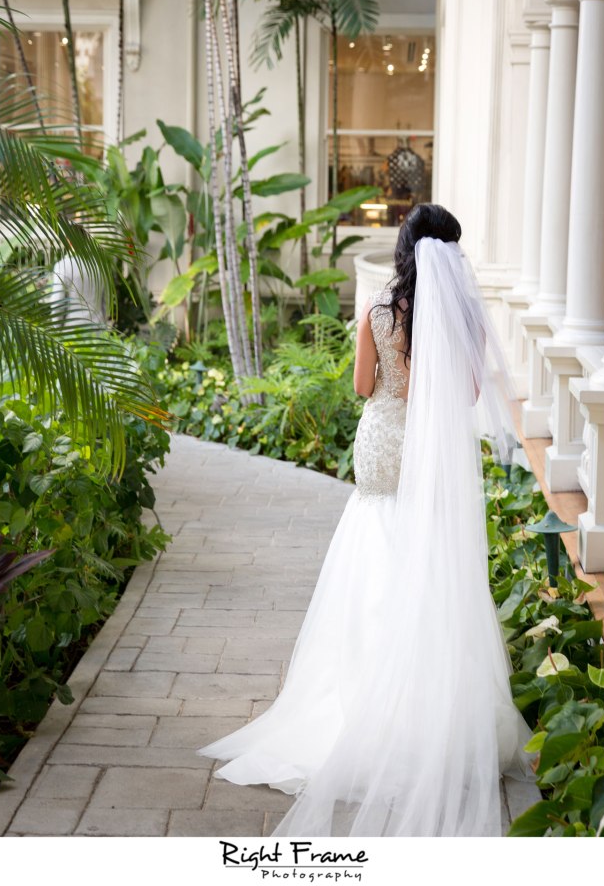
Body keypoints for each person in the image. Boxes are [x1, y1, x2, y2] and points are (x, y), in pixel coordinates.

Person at [196, 203, 536, 836]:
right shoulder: (463, 319)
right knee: (430, 568)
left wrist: (392, 370)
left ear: (404, 250)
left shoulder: (378, 313)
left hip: (383, 445)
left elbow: (361, 387)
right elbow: (463, 396)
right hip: (430, 455)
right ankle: (426, 717)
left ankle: (358, 706)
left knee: (372, 561)